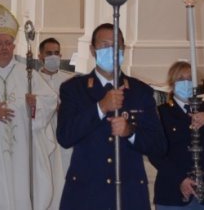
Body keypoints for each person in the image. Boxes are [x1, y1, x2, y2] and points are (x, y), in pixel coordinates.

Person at [57, 23, 166, 210]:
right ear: (92, 50)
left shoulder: (140, 92)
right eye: (105, 45)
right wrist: (100, 107)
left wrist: (130, 132)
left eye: (117, 45)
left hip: (129, 195)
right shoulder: (74, 89)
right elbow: (65, 137)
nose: (112, 50)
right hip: (86, 194)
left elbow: (158, 145)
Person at [0, 4, 59, 210]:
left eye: (8, 43)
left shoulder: (28, 74)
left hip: (24, 154)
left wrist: (36, 104)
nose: (4, 47)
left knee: (22, 195)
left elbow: (51, 100)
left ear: (14, 46)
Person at [151, 61, 204, 209]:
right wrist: (180, 180)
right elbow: (155, 154)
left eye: (189, 79)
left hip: (203, 190)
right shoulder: (162, 113)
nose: (186, 83)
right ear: (172, 84)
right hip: (171, 190)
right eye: (181, 79)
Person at [37, 37, 74, 209]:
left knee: (63, 184)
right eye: (49, 53)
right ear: (40, 56)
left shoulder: (70, 82)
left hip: (65, 143)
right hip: (41, 140)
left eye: (57, 53)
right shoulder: (31, 81)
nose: (54, 57)